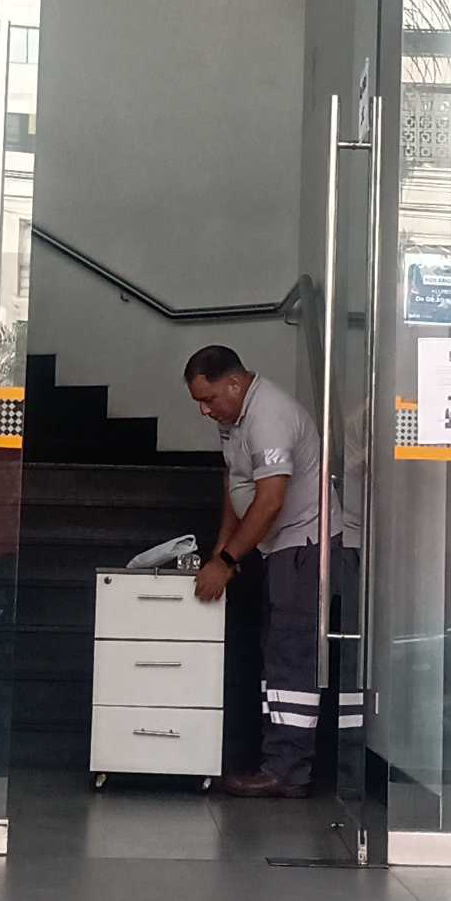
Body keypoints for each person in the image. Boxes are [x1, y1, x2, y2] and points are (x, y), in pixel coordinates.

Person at [186, 343, 324, 801]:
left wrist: (227, 562)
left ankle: (287, 771)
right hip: (275, 548)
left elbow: (269, 501)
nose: (205, 411)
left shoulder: (269, 416)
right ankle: (281, 763)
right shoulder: (234, 419)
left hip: (303, 545)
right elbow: (236, 484)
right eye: (199, 402)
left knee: (291, 656)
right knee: (277, 651)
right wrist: (222, 549)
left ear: (234, 383)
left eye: (209, 399)